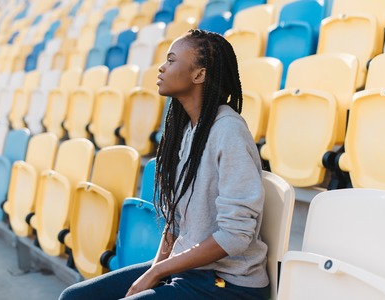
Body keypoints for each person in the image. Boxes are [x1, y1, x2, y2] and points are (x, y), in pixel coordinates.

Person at [59, 29, 270, 300]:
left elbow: (235, 235)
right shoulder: (188, 130)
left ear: (199, 74)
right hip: (190, 271)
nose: (161, 67)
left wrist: (155, 273)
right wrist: (157, 267)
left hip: (229, 285)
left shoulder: (228, 131)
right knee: (73, 297)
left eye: (171, 61)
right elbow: (175, 223)